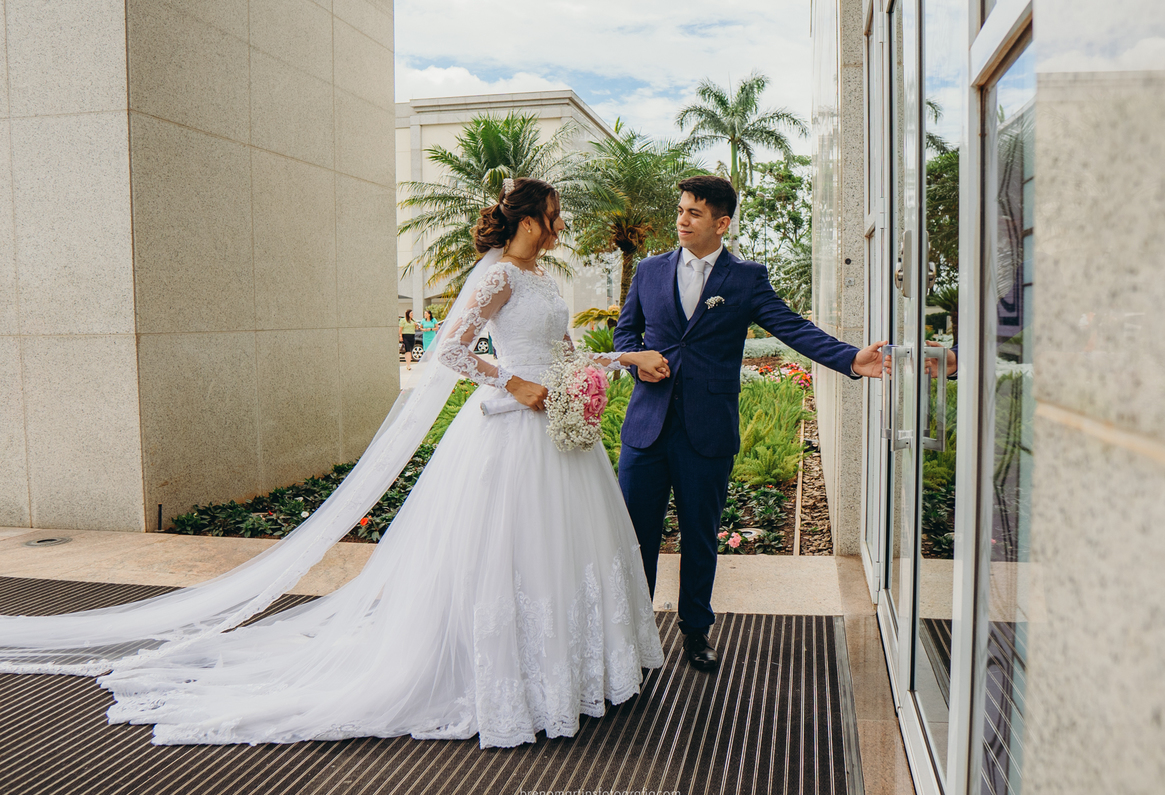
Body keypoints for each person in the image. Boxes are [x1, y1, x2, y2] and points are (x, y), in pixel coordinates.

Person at [0, 178, 671, 748]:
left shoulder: (542, 276)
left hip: (556, 437)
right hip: (507, 432)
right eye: (553, 217)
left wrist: (615, 364)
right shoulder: (497, 275)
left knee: (555, 552)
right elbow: (452, 353)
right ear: (528, 220)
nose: (559, 228)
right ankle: (503, 676)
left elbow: (565, 355)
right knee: (504, 553)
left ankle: (568, 671)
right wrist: (511, 384)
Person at [614, 175, 885, 673]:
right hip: (646, 428)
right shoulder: (649, 271)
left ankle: (695, 630)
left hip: (708, 428)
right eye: (680, 210)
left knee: (700, 534)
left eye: (694, 213)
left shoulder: (745, 278)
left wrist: (850, 359)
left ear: (722, 223)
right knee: (634, 536)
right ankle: (631, 632)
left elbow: (791, 327)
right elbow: (625, 332)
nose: (681, 219)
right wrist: (636, 360)